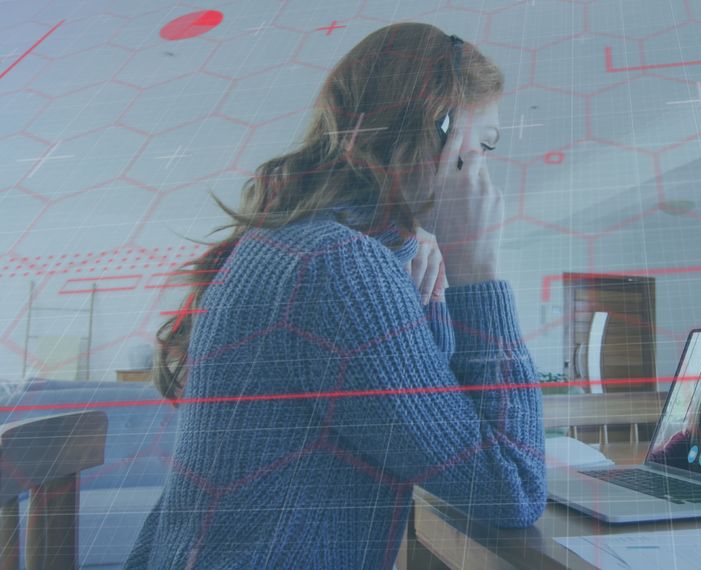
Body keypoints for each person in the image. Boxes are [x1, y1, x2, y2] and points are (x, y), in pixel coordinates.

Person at [125, 23, 544, 569]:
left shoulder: (303, 242)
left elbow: (435, 425)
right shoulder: (339, 267)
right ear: (435, 132)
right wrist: (478, 271)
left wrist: (421, 272)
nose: (484, 172)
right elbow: (511, 485)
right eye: (481, 146)